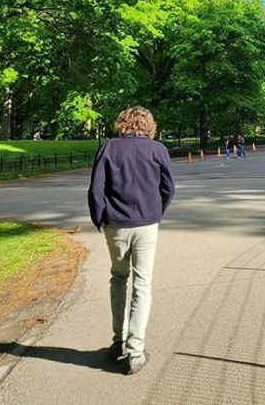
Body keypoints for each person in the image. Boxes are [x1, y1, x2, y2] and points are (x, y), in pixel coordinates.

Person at [88, 105, 175, 375]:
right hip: (147, 223)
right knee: (143, 283)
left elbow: (95, 189)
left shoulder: (109, 148)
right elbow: (168, 188)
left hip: (115, 223)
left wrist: (100, 218)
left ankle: (118, 342)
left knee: (118, 278)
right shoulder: (157, 150)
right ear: (148, 126)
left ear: (123, 123)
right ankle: (136, 351)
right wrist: (156, 212)